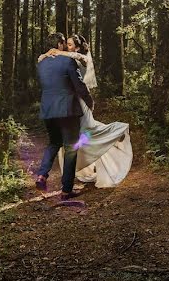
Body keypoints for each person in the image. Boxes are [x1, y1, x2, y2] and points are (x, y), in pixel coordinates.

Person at [41, 33, 133, 188]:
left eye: (69, 45)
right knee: (79, 139)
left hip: (79, 103)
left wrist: (55, 51)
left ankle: (118, 130)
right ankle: (77, 174)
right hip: (71, 103)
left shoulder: (81, 59)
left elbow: (79, 73)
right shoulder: (67, 59)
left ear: (76, 48)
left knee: (90, 133)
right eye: (65, 44)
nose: (66, 47)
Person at [33, 32, 94, 200]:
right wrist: (89, 102)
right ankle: (66, 190)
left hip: (47, 109)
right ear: (60, 44)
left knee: (53, 143)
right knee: (70, 148)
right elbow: (79, 86)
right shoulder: (68, 61)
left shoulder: (41, 63)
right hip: (67, 109)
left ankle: (42, 175)